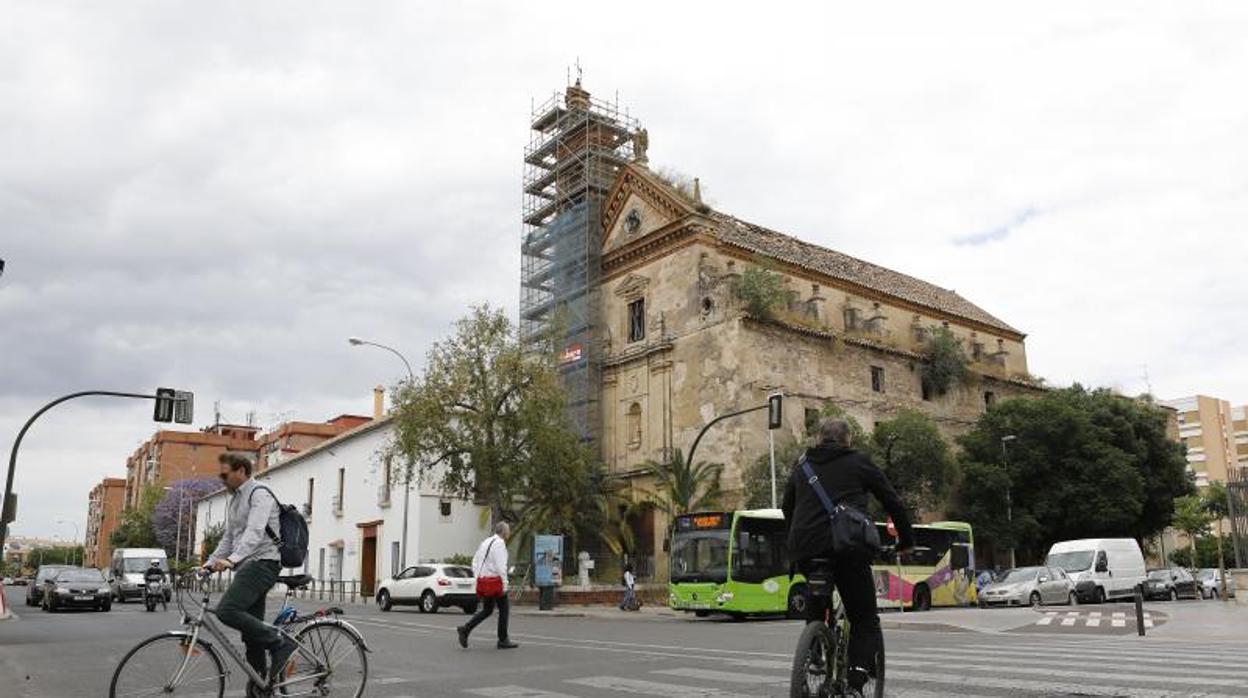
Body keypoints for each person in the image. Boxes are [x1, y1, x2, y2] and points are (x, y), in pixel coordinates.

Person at [782, 419, 914, 697]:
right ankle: (856, 681)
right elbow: (893, 502)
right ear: (848, 440)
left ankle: (816, 650)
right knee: (864, 618)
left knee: (818, 605)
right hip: (848, 549)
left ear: (819, 439)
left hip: (806, 549)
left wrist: (802, 535)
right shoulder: (858, 462)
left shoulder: (802, 465)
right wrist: (906, 542)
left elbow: (787, 507)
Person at [203, 453, 296, 688]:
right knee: (252, 635)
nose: (221, 479)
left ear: (241, 471)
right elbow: (229, 537)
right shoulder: (234, 500)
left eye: (225, 474)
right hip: (248, 565)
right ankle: (260, 687)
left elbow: (254, 533)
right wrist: (208, 564)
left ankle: (279, 642)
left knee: (227, 610)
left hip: (263, 563)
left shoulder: (259, 494)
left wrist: (232, 560)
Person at [457, 522, 518, 649]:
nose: (509, 533)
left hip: (484, 581)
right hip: (495, 582)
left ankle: (466, 629)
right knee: (504, 609)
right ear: (504, 532)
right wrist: (505, 584)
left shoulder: (485, 542)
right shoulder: (500, 544)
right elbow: (501, 567)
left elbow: (475, 561)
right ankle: (503, 639)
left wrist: (479, 575)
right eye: (508, 530)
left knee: (487, 610)